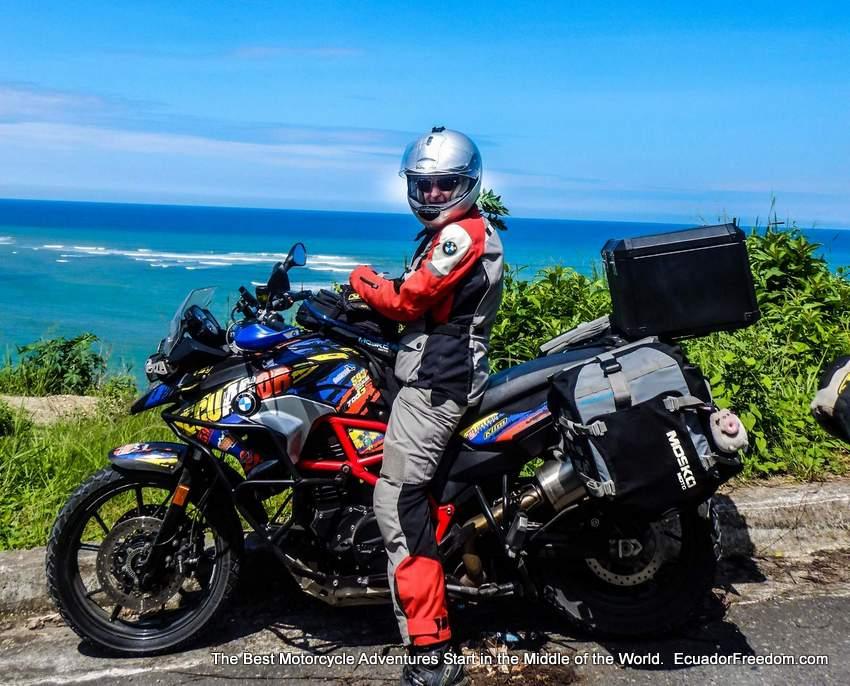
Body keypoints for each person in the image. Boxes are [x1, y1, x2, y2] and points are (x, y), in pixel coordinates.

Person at [349, 127, 504, 686]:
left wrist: (361, 281)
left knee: (398, 503)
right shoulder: (446, 234)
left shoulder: (462, 236)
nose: (435, 194)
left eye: (446, 184)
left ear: (468, 184)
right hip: (428, 374)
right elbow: (424, 296)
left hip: (438, 386)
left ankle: (432, 651)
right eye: (426, 184)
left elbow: (408, 297)